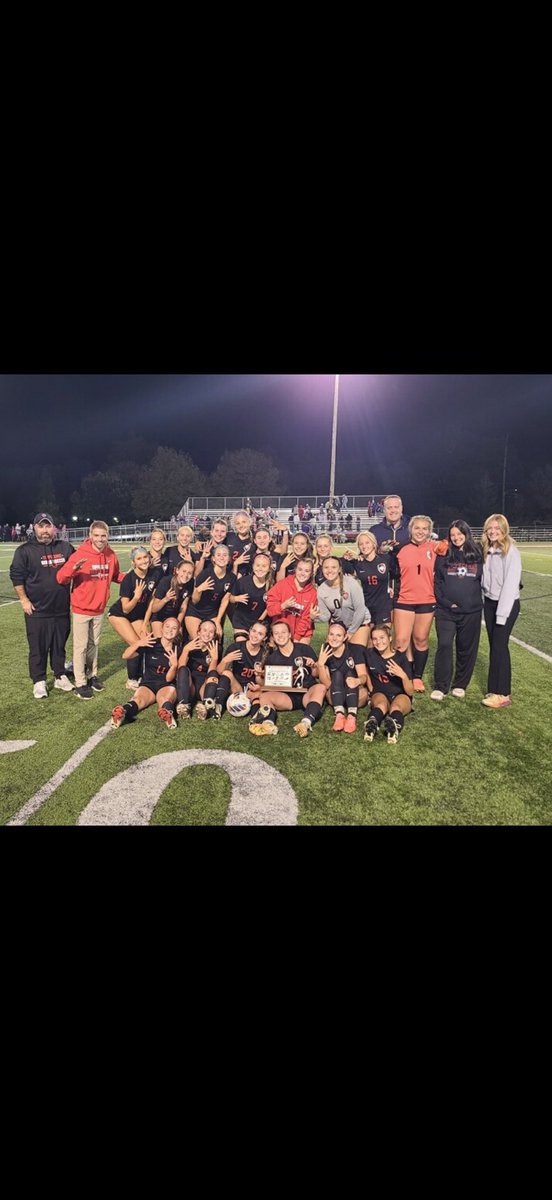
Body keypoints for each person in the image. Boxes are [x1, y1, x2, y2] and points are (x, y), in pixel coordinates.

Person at [56, 520, 125, 699]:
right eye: (97, 535)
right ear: (90, 536)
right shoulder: (80, 554)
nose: (100, 539)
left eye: (103, 536)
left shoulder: (111, 555)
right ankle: (80, 683)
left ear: (107, 536)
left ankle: (91, 675)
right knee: (80, 647)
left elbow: (116, 576)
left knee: (93, 644)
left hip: (99, 608)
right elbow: (60, 578)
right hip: (81, 608)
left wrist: (135, 575)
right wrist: (73, 568)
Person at [9, 512, 75, 698]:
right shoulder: (24, 551)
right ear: (34, 527)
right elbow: (16, 576)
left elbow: (81, 562)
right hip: (37, 610)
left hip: (61, 608)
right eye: (41, 526)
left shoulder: (65, 547)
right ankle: (39, 681)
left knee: (59, 645)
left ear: (53, 528)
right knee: (38, 647)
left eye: (48, 526)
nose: (45, 530)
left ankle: (60, 675)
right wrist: (24, 599)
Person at [390, 516, 448, 692]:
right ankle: (404, 674)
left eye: (424, 528)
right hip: (404, 600)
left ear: (430, 531)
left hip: (427, 600)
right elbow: (390, 571)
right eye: (417, 528)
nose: (420, 531)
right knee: (401, 641)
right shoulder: (400, 549)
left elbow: (452, 546)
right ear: (411, 529)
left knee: (421, 640)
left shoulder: (435, 548)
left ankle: (417, 677)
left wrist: (445, 542)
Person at [431, 520, 483, 702]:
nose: (456, 537)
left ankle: (460, 684)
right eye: (453, 535)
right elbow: (436, 582)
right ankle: (441, 685)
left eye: (459, 534)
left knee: (466, 648)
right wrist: (446, 602)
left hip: (471, 611)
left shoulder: (478, 553)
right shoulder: (444, 553)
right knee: (444, 645)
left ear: (466, 534)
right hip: (446, 611)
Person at [248, 619, 326, 739]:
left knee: (320, 688)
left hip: (307, 693)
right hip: (288, 697)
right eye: (276, 633)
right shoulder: (272, 659)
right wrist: (259, 676)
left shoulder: (304, 649)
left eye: (283, 632)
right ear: (273, 637)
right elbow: (268, 684)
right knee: (264, 696)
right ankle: (269, 724)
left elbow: (316, 674)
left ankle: (305, 723)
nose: (280, 636)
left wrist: (313, 666)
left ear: (290, 634)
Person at [480, 514, 522, 708]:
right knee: (495, 646)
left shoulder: (510, 551)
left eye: (497, 528)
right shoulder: (488, 549)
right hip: (490, 603)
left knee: (499, 647)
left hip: (505, 605)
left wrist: (501, 614)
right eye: (490, 528)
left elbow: (510, 586)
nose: (493, 531)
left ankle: (503, 693)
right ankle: (494, 689)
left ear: (504, 530)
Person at [111, 618, 180, 730]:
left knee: (164, 699)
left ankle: (168, 715)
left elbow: (169, 679)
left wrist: (174, 666)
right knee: (138, 700)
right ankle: (121, 713)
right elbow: (126, 656)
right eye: (167, 626)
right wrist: (138, 643)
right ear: (161, 628)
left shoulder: (178, 649)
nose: (170, 630)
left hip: (166, 684)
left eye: (174, 628)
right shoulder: (151, 643)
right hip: (148, 683)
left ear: (178, 631)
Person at [107, 546, 161, 689]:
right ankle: (131, 680)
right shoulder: (128, 579)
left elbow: (151, 601)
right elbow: (125, 608)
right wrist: (136, 597)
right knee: (137, 645)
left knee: (147, 642)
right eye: (139, 558)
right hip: (120, 614)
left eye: (145, 557)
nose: (143, 561)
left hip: (137, 616)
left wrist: (145, 623)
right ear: (133, 562)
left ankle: (143, 676)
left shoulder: (155, 573)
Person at [363, 624, 414, 744]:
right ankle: (371, 725)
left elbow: (411, 691)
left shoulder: (401, 658)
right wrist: (371, 690)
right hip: (380, 693)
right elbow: (365, 672)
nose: (378, 642)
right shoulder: (369, 654)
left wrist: (402, 675)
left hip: (400, 694)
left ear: (390, 638)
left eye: (382, 637)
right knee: (380, 705)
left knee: (396, 708)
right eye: (374, 639)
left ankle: (393, 728)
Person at [316, 620, 369, 734]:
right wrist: (320, 665)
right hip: (336, 692)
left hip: (354, 691)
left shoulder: (355, 649)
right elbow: (327, 684)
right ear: (328, 635)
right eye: (331, 634)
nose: (334, 638)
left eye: (338, 635)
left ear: (345, 637)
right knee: (337, 674)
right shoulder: (325, 649)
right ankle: (339, 714)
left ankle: (351, 715)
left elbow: (364, 676)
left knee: (350, 675)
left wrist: (357, 681)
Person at [213, 621, 269, 718]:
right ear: (249, 631)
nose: (255, 635)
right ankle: (218, 705)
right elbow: (217, 672)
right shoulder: (236, 647)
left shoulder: (266, 654)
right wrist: (225, 660)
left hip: (252, 689)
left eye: (260, 634)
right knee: (226, 673)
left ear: (265, 638)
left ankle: (255, 718)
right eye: (254, 631)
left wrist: (259, 677)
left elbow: (264, 683)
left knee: (259, 695)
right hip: (235, 687)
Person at [315, 557, 371, 648]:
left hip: (360, 623)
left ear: (339, 569)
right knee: (327, 653)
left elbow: (360, 610)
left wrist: (350, 632)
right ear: (322, 569)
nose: (330, 570)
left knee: (356, 653)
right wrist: (314, 617)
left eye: (333, 567)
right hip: (339, 625)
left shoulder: (351, 583)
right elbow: (326, 616)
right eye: (326, 567)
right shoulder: (322, 589)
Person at [184, 544, 233, 642]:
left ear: (229, 559)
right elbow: (194, 600)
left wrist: (218, 621)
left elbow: (225, 600)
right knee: (199, 642)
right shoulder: (205, 574)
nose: (222, 557)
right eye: (218, 555)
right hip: (195, 612)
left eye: (225, 555)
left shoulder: (231, 577)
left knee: (216, 638)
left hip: (212, 614)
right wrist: (199, 590)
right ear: (213, 559)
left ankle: (215, 657)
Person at [342, 531, 393, 626]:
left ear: (373, 544)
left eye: (367, 542)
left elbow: (396, 573)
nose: (364, 546)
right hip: (366, 606)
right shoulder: (357, 563)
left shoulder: (385, 559)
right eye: (361, 544)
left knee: (384, 638)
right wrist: (344, 558)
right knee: (368, 639)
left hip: (383, 607)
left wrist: (389, 587)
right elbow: (341, 567)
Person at [175, 619, 221, 720]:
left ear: (214, 635)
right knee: (183, 669)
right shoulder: (189, 645)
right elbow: (179, 669)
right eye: (204, 630)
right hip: (189, 686)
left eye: (211, 632)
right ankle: (185, 706)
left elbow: (211, 674)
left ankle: (206, 706)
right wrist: (186, 650)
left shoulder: (217, 648)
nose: (207, 634)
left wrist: (215, 659)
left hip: (204, 687)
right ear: (198, 632)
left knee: (214, 673)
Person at [266, 558, 318, 644]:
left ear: (311, 573)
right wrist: (283, 606)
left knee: (299, 652)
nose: (302, 573)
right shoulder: (282, 585)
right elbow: (270, 611)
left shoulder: (313, 593)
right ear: (295, 570)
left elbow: (306, 619)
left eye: (307, 571)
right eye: (300, 569)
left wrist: (296, 638)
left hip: (301, 632)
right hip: (281, 630)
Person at [228, 551, 272, 640]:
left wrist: (258, 623)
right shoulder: (243, 582)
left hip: (260, 622)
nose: (260, 569)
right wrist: (236, 598)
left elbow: (269, 607)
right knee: (242, 646)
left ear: (269, 568)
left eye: (264, 566)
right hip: (242, 622)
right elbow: (230, 598)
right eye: (257, 565)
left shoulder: (271, 585)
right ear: (253, 566)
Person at [145, 560, 195, 638]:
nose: (186, 575)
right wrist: (166, 599)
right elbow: (154, 609)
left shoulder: (190, 583)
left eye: (189, 573)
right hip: (159, 617)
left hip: (174, 618)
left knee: (176, 640)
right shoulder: (166, 581)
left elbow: (183, 606)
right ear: (177, 570)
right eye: (184, 571)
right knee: (160, 642)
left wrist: (178, 624)